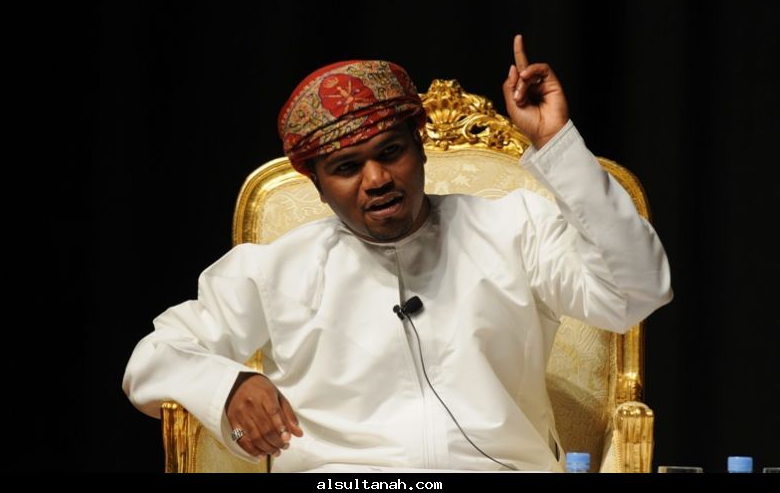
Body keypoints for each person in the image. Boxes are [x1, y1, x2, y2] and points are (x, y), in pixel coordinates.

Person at [123, 34, 672, 472]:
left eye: (391, 152)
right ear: (317, 185)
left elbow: (637, 291)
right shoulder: (276, 269)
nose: (377, 179)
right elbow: (152, 358)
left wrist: (556, 145)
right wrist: (230, 385)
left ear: (419, 146)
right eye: (346, 168)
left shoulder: (515, 227)